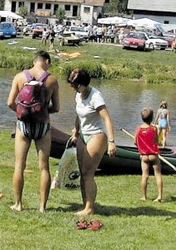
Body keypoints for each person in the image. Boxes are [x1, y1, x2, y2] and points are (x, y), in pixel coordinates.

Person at [6, 50, 60, 212]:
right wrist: (41, 111)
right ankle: (42, 207)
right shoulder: (52, 80)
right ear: (47, 62)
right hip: (43, 126)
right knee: (44, 167)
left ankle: (18, 204)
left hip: (23, 125)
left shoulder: (19, 77)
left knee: (19, 166)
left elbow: (10, 102)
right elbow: (56, 108)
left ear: (35, 60)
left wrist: (22, 112)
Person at [67, 67, 117, 216]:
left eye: (75, 85)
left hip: (97, 135)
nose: (73, 87)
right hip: (83, 135)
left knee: (88, 173)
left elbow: (107, 118)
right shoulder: (78, 95)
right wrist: (75, 131)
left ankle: (89, 208)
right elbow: (79, 115)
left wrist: (112, 141)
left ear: (83, 83)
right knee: (82, 172)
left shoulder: (96, 96)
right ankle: (85, 206)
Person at [135, 107, 163, 202]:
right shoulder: (154, 129)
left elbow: (135, 142)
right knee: (158, 175)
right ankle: (159, 196)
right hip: (153, 155)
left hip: (144, 156)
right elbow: (156, 140)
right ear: (151, 118)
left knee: (144, 176)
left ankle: (143, 196)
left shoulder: (138, 129)